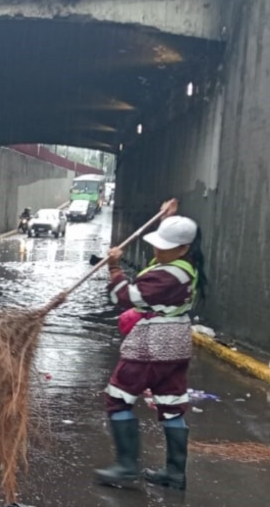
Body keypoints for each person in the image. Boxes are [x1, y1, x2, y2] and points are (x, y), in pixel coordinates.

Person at [96, 198, 203, 491]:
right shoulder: (183, 264)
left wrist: (115, 268)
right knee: (171, 404)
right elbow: (164, 256)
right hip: (177, 344)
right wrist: (166, 220)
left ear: (183, 249)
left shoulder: (167, 275)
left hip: (152, 345)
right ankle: (175, 473)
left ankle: (126, 466)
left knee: (118, 397)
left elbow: (124, 297)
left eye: (164, 246)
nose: (158, 250)